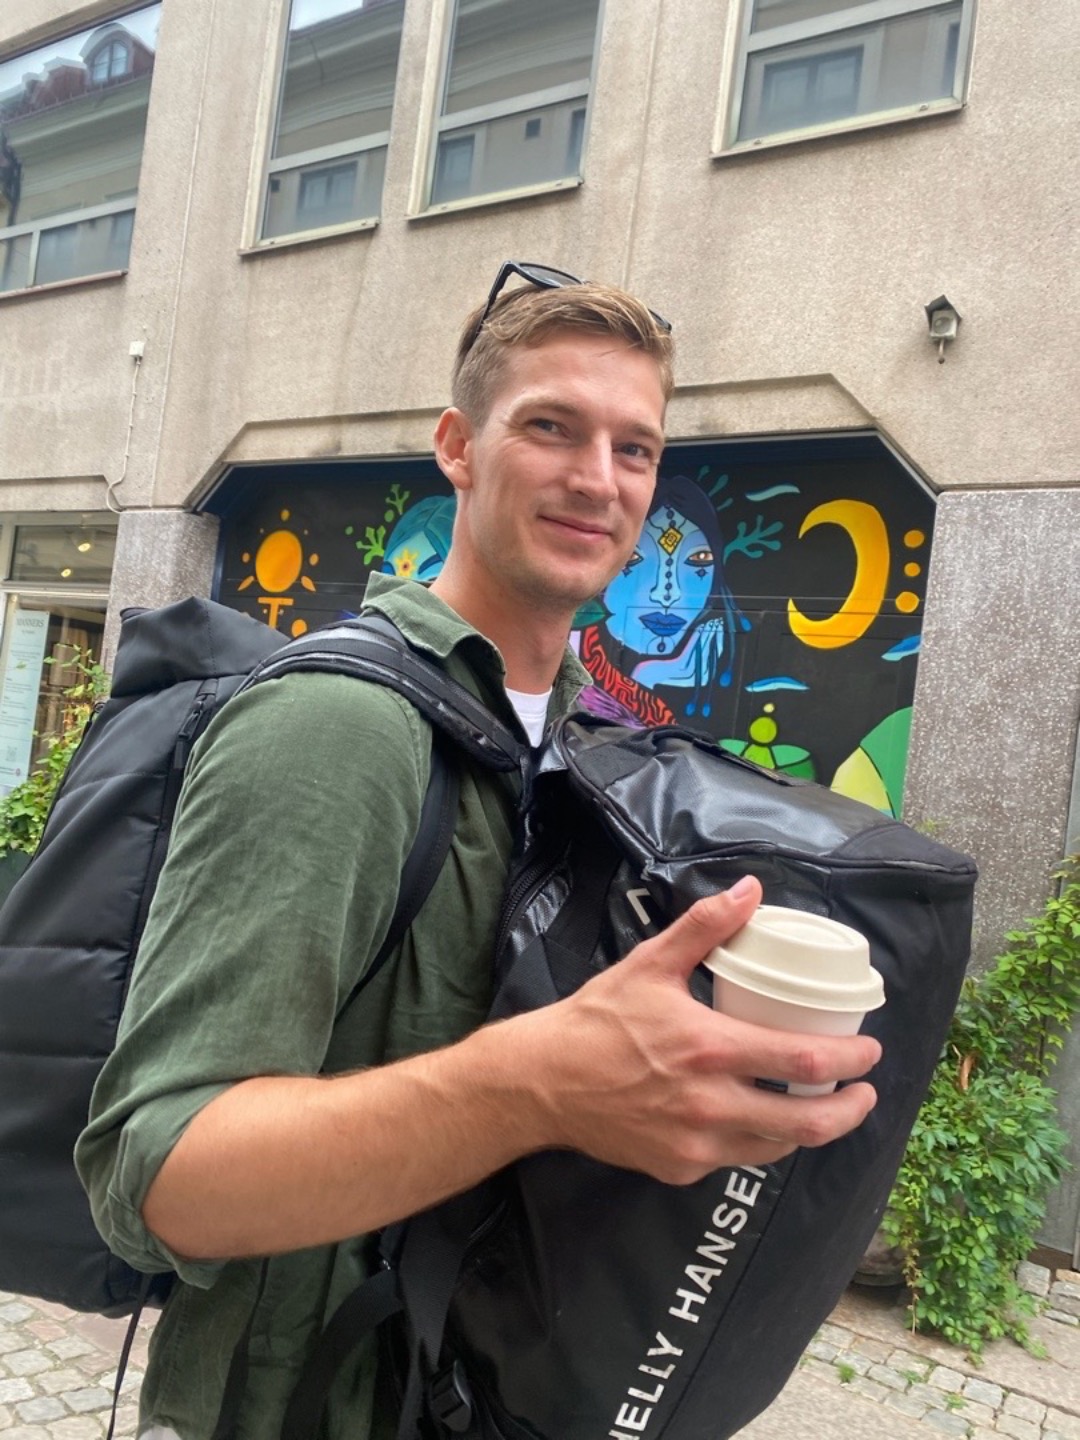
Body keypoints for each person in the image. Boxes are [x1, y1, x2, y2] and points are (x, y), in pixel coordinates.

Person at [76, 260, 881, 1440]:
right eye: (551, 427)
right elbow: (156, 1180)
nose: (598, 478)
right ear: (457, 446)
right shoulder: (335, 727)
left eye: (635, 447)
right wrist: (538, 1083)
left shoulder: (601, 753)